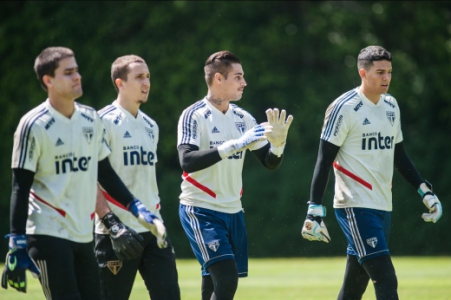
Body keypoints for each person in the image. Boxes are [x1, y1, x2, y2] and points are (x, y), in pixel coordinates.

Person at [1, 47, 166, 299]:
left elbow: (105, 173)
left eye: (76, 70)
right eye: (68, 72)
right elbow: (20, 188)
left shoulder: (90, 119)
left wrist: (135, 206)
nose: (77, 77)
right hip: (47, 233)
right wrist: (16, 241)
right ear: (49, 81)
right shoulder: (33, 124)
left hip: (81, 234)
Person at [301, 45, 443, 300]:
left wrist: (425, 191)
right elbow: (324, 160)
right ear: (363, 73)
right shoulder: (344, 107)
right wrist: (315, 208)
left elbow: (398, 155)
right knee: (386, 279)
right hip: (354, 205)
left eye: (389, 72)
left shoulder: (391, 106)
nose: (386, 78)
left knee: (353, 289)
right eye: (380, 72)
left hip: (382, 205)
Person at [177, 50, 293, 300]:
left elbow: (269, 163)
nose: (244, 82)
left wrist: (279, 144)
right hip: (200, 209)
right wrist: (234, 144)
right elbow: (187, 161)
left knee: (214, 283)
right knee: (226, 279)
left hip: (233, 211)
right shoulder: (194, 115)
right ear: (219, 78)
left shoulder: (244, 118)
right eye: (238, 77)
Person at [94, 55, 180, 300]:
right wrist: (112, 225)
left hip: (153, 230)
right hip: (116, 233)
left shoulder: (151, 125)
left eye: (148, 77)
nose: (147, 82)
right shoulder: (102, 122)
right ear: (120, 83)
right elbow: (89, 179)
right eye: (139, 77)